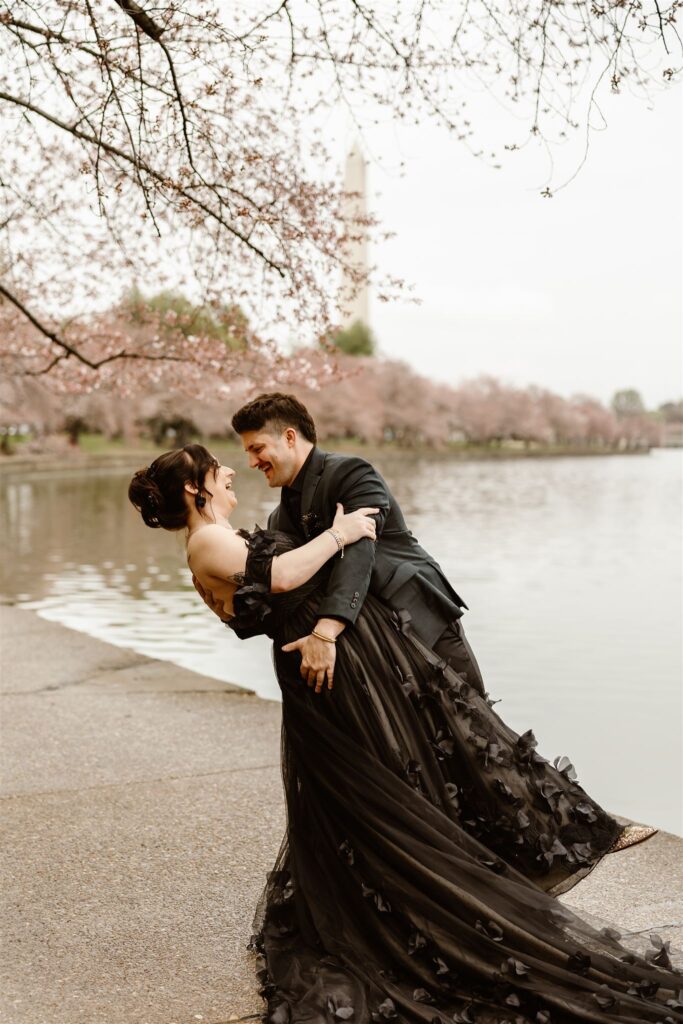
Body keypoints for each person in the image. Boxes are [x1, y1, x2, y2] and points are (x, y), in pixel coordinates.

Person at [129, 441, 680, 1024]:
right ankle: (452, 903)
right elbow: (285, 574)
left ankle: (469, 877)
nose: (232, 471)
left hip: (337, 665)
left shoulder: (219, 533)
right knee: (387, 794)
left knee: (391, 785)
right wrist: (340, 535)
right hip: (330, 676)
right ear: (196, 489)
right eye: (219, 469)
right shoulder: (208, 540)